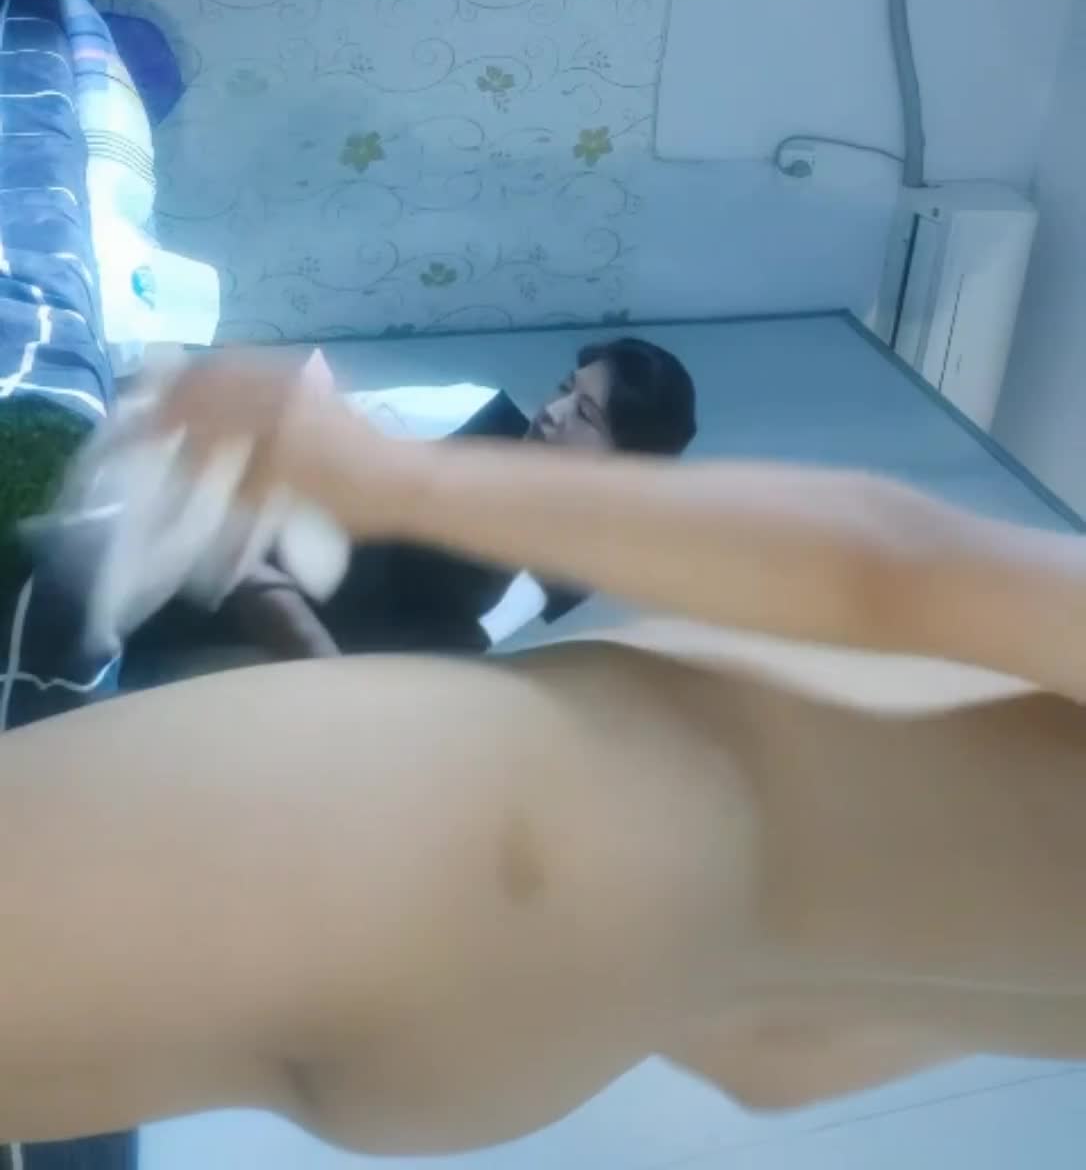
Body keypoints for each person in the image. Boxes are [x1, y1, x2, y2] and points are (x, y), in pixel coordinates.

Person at [4, 346, 1086, 1152]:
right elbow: (786, 1067)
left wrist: (384, 479)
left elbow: (894, 570)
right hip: (536, 1052)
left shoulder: (525, 573)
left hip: (518, 812)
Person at [127, 336, 697, 671]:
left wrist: (278, 611)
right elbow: (305, 417)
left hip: (262, 643)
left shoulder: (555, 572)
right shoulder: (472, 413)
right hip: (212, 520)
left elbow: (417, 657)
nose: (553, 411)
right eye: (565, 389)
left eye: (586, 415)